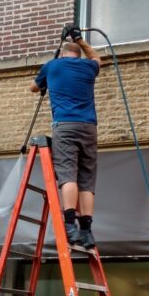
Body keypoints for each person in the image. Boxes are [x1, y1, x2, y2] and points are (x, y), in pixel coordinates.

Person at [30, 27, 102, 248]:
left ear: (62, 54)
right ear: (78, 53)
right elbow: (97, 58)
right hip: (89, 127)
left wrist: (46, 78)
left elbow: (33, 87)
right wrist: (80, 39)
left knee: (67, 174)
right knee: (86, 181)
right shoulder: (89, 67)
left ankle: (70, 225)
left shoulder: (52, 66)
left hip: (65, 126)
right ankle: (87, 231)